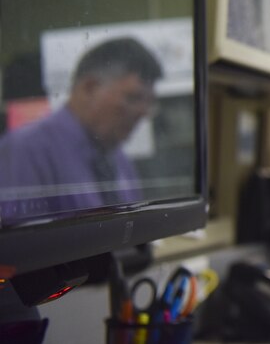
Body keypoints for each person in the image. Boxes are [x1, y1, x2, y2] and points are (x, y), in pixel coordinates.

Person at [0, 37, 162, 220]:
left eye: (149, 102)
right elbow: (20, 243)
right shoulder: (26, 150)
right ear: (89, 88)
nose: (143, 113)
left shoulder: (116, 156)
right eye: (133, 98)